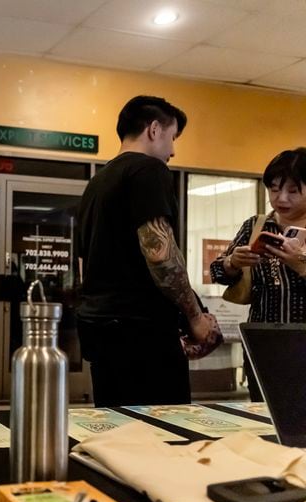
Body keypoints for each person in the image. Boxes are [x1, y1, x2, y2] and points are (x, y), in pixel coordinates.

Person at [76, 95, 221, 407]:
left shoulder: (96, 183)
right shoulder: (148, 170)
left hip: (100, 329)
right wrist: (195, 318)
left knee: (117, 435)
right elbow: (160, 254)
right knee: (163, 437)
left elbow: (82, 264)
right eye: (172, 137)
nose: (172, 150)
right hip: (142, 332)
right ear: (154, 129)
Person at [210, 148, 306, 401]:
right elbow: (217, 271)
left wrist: (301, 265)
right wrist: (233, 262)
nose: (281, 198)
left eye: (293, 191)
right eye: (274, 189)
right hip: (263, 342)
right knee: (263, 413)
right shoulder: (258, 225)